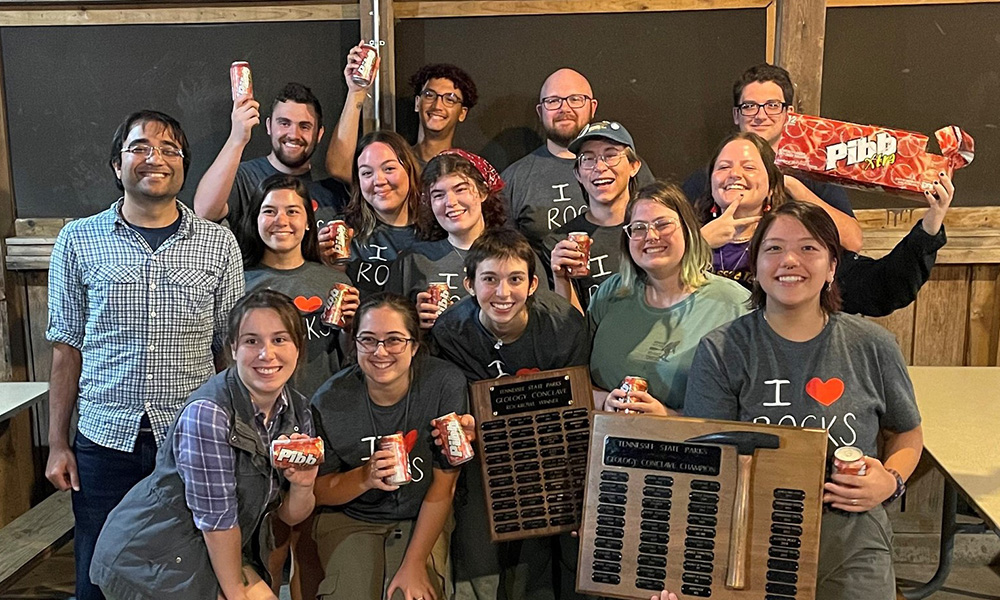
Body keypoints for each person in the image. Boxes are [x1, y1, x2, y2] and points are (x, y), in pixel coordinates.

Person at [45, 109, 244, 600]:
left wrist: (236, 436)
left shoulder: (218, 244)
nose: (155, 158)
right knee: (98, 571)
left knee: (189, 571)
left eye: (170, 150)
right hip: (104, 437)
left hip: (191, 438)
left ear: (184, 167)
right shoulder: (78, 240)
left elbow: (230, 351)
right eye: (140, 148)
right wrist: (57, 443)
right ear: (118, 165)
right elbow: (66, 348)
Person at [685, 201, 923, 600]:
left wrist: (890, 481)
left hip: (852, 535)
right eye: (774, 248)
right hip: (750, 529)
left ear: (832, 267)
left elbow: (907, 432)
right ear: (755, 266)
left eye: (809, 248)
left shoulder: (873, 344)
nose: (790, 260)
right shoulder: (722, 350)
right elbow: (706, 459)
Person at [90, 290, 318, 600]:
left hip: (211, 548)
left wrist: (303, 485)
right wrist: (235, 593)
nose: (267, 354)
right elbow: (217, 522)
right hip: (152, 557)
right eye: (252, 341)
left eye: (279, 339)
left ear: (298, 347)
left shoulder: (298, 410)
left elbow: (289, 516)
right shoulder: (208, 414)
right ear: (233, 348)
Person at [431, 228, 591, 600]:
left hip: (550, 448)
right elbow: (449, 402)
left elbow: (576, 404)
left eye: (515, 279)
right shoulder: (449, 331)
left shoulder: (563, 325)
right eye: (489, 279)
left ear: (533, 284)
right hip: (483, 452)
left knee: (543, 562)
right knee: (478, 555)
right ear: (469, 284)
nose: (503, 293)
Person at [310, 293, 467, 600]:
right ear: (355, 343)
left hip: (420, 514)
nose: (380, 351)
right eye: (368, 340)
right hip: (350, 517)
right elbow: (317, 491)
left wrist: (415, 563)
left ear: (414, 345)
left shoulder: (444, 383)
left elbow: (445, 486)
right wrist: (364, 477)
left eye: (394, 340)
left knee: (409, 593)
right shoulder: (329, 399)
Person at [695, 132, 956, 315]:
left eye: (749, 167)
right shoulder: (686, 238)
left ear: (772, 185)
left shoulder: (799, 244)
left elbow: (881, 288)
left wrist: (930, 224)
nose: (734, 174)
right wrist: (698, 244)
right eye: (724, 167)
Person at [589, 181, 750, 414]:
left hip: (695, 438)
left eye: (663, 224)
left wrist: (670, 418)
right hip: (607, 436)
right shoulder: (611, 292)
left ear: (688, 230)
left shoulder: (734, 304)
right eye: (639, 228)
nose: (651, 236)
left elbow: (751, 403)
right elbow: (575, 376)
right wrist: (604, 402)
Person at [682, 63, 863, 252]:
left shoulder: (814, 175)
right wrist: (702, 241)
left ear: (789, 114)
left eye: (772, 106)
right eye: (750, 106)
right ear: (737, 114)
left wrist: (791, 185)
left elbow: (853, 242)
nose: (761, 115)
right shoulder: (709, 179)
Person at [501, 69, 654, 255]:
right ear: (540, 111)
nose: (564, 109)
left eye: (575, 99)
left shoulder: (627, 168)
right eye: (553, 101)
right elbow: (504, 253)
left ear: (592, 107)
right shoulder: (514, 179)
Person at [242, 174, 360, 396]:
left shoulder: (335, 282)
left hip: (326, 403)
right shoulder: (240, 284)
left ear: (308, 222)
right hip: (263, 406)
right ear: (256, 219)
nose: (281, 221)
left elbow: (348, 359)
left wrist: (350, 328)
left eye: (292, 211)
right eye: (269, 211)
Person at [194, 82, 348, 244]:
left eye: (304, 126)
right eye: (284, 123)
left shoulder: (332, 188)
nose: (293, 134)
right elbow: (204, 213)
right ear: (269, 126)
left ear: (319, 134)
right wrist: (237, 139)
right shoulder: (245, 177)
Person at [546, 120, 641, 312]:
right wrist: (562, 279)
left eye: (611, 155)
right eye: (588, 159)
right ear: (578, 174)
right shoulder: (562, 243)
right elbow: (569, 324)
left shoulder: (650, 230)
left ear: (633, 166)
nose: (600, 167)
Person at [330, 130, 421, 296]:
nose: (378, 181)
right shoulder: (345, 232)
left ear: (409, 170)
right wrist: (326, 263)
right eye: (367, 173)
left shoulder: (436, 231)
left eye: (389, 169)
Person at [408, 63, 479, 168]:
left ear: (462, 113)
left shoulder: (470, 169)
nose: (437, 106)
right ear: (417, 103)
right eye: (429, 95)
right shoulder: (395, 162)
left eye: (449, 99)